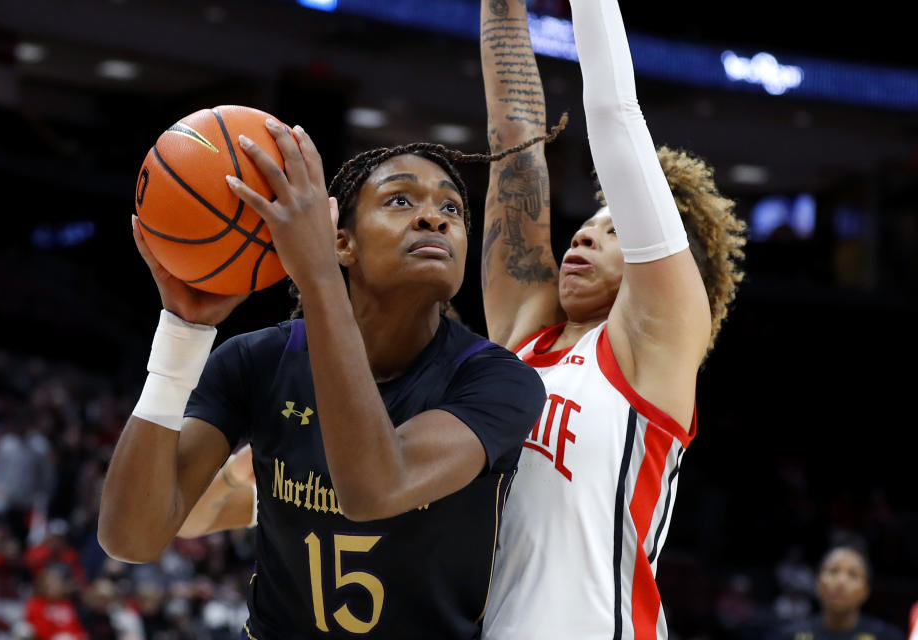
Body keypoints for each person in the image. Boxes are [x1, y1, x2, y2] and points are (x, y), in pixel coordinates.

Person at [97, 118, 552, 638]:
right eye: (400, 201)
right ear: (341, 243)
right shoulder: (258, 361)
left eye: (451, 207)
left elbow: (375, 489)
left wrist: (315, 277)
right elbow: (130, 539)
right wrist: (182, 335)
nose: (434, 218)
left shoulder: (498, 381)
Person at [478, 1, 746, 638]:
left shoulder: (653, 346)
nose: (581, 237)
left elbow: (615, 115)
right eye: (584, 225)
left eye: (615, 229)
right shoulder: (525, 336)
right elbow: (513, 139)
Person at [776, 545, 905, 640]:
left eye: (853, 575)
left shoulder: (888, 637)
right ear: (818, 584)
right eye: (833, 571)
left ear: (865, 591)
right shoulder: (788, 636)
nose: (841, 582)